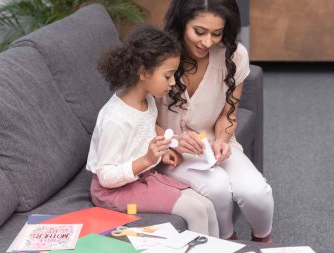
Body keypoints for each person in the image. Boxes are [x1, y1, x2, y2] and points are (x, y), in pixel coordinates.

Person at [155, 0, 274, 242]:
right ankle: (227, 240)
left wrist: (222, 139)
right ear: (182, 23)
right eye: (199, 32)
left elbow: (229, 113)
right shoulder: (157, 55)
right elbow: (139, 117)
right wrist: (173, 141)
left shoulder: (234, 55)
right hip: (169, 148)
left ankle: (264, 241)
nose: (207, 42)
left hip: (212, 142)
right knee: (217, 188)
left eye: (216, 33)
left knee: (257, 193)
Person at [86, 26, 219, 237]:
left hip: (141, 177)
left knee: (206, 205)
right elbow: (106, 177)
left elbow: (147, 128)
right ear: (143, 72)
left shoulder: (146, 99)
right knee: (195, 210)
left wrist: (172, 142)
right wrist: (147, 159)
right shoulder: (117, 119)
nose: (173, 82)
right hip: (113, 191)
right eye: (168, 76)